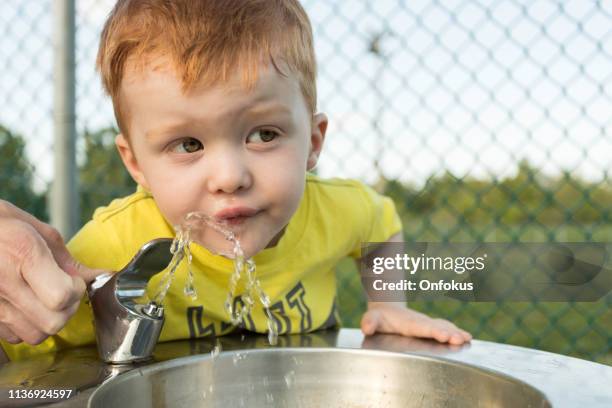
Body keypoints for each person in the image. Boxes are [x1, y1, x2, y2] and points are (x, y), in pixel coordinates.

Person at [0, 0, 470, 362]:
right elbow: (25, 350)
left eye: (264, 135)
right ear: (137, 164)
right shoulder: (110, 251)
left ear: (313, 141)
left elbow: (380, 226)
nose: (229, 177)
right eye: (187, 145)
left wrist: (387, 302)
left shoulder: (337, 209)